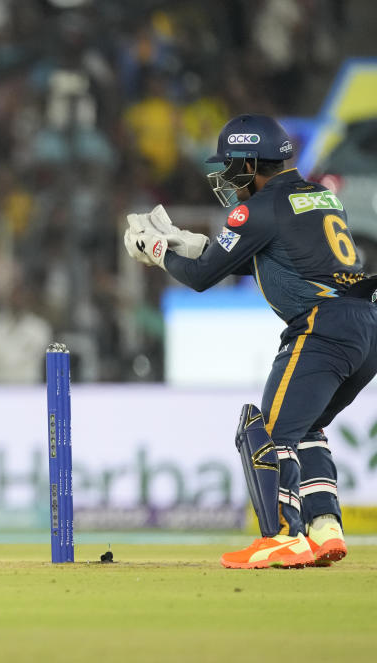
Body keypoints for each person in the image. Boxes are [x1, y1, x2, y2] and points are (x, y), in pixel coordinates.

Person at [124, 113, 377, 569]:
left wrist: (159, 251)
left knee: (267, 433)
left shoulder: (257, 209)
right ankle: (324, 528)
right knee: (305, 427)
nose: (226, 177)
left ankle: (284, 536)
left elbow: (204, 277)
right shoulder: (320, 194)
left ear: (249, 162)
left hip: (322, 327)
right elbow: (267, 258)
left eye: (231, 166)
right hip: (365, 325)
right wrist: (192, 241)